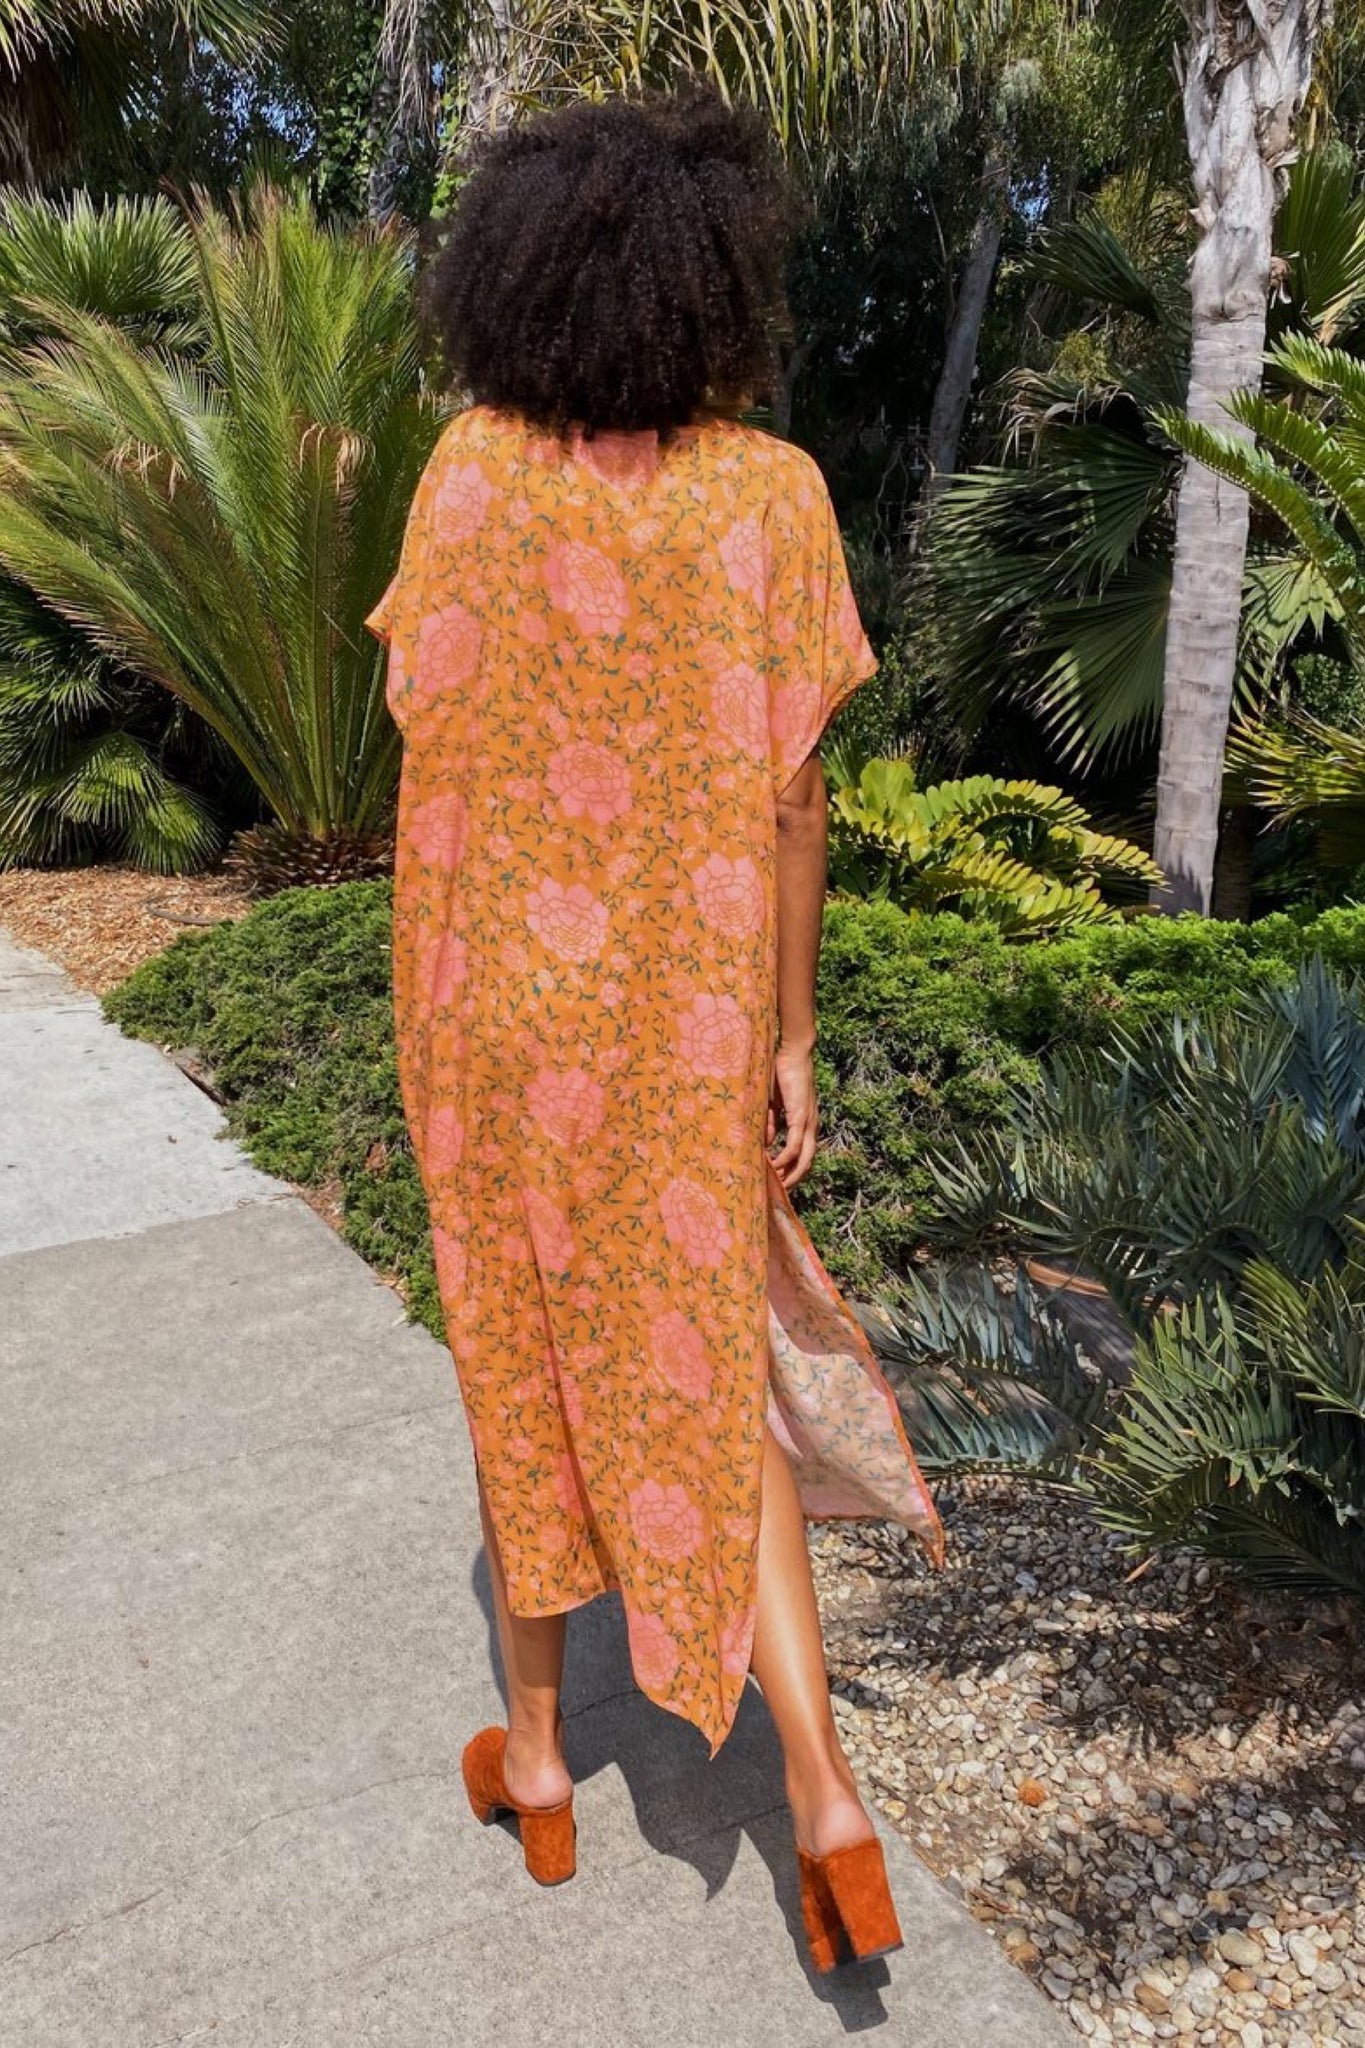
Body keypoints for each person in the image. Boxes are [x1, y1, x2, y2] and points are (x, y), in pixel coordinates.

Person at [366, 84, 944, 1972]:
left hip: (485, 1016)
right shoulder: (771, 495)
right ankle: (825, 1799)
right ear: (713, 284)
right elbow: (794, 799)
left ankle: (539, 1764)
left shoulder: (467, 474)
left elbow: (423, 719)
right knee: (714, 1370)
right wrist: (788, 1034)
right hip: (681, 1024)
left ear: (514, 278)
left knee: (514, 1359)